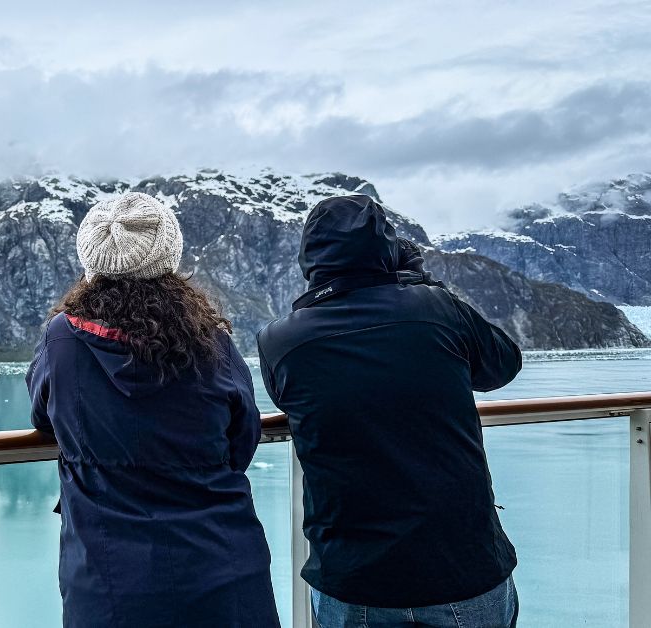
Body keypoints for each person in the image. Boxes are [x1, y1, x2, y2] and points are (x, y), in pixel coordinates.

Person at [256, 195, 522, 628]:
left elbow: (293, 398)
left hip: (354, 577)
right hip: (464, 566)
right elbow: (503, 366)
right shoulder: (436, 309)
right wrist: (418, 283)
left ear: (309, 259)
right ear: (387, 249)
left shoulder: (279, 342)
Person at [27, 192, 280, 628]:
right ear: (169, 257)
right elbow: (243, 437)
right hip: (222, 568)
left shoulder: (62, 341)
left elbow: (42, 416)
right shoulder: (210, 340)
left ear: (93, 261)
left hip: (109, 584)